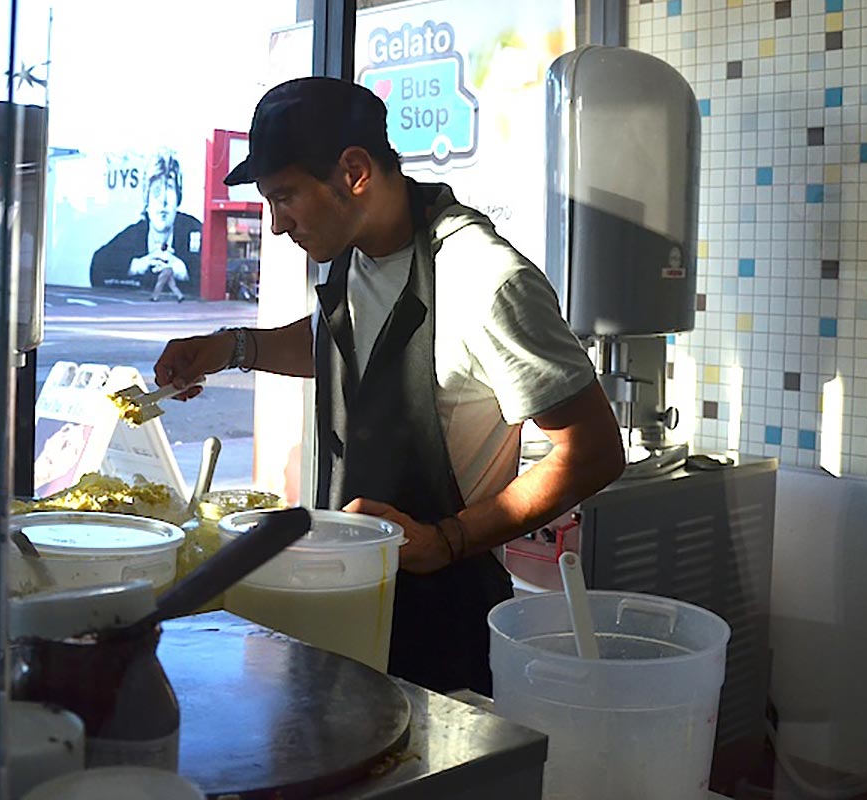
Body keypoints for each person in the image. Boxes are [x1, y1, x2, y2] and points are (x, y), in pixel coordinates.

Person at [153, 77, 624, 694]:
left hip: (444, 620)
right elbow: (343, 348)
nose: (277, 225)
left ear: (354, 172)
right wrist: (233, 347)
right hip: (350, 592)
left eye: (286, 197)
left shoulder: (484, 278)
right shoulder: (354, 252)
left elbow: (592, 450)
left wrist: (448, 539)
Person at [89, 150, 201, 294]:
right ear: (147, 200)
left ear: (178, 197)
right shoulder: (134, 234)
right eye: (156, 191)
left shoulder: (195, 230)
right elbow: (97, 266)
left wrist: (185, 272)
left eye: (170, 189)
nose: (163, 200)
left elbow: (221, 275)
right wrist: (135, 266)